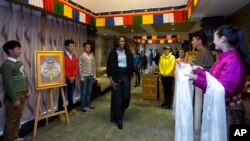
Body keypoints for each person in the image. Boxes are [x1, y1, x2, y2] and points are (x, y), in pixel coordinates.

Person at [187, 25, 250, 140]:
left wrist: (197, 80)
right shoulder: (224, 58)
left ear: (223, 39)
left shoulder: (233, 61)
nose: (212, 40)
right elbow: (213, 78)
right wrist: (198, 70)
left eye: (214, 37)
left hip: (229, 112)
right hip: (220, 107)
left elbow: (221, 89)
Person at [0, 40, 29, 141]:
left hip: (22, 94)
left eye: (20, 48)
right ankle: (8, 139)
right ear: (10, 51)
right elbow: (8, 84)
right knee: (11, 119)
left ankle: (15, 137)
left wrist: (27, 90)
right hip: (13, 97)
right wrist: (14, 99)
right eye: (18, 49)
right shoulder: (6, 65)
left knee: (18, 116)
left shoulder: (19, 62)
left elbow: (23, 77)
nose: (20, 51)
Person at [107, 35, 135, 130]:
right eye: (120, 41)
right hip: (116, 76)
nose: (122, 43)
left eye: (123, 41)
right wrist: (111, 79)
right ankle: (119, 119)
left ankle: (123, 108)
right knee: (117, 98)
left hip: (126, 76)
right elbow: (109, 67)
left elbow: (131, 63)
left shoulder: (128, 51)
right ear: (117, 42)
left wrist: (132, 74)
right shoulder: (113, 52)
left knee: (127, 97)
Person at [191, 30, 214, 141]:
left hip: (203, 88)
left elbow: (209, 72)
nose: (192, 42)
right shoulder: (199, 52)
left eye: (193, 39)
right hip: (198, 87)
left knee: (203, 112)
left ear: (199, 40)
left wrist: (196, 69)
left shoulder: (206, 53)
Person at [58, 39, 78, 121]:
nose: (72, 47)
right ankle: (60, 112)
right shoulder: (62, 55)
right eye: (71, 46)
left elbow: (76, 67)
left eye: (73, 46)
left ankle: (70, 109)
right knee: (62, 95)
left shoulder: (74, 56)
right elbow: (62, 67)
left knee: (70, 94)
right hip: (64, 79)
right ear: (66, 46)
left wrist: (73, 76)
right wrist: (69, 77)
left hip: (72, 79)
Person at [78, 42, 96, 112]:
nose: (88, 48)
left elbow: (94, 66)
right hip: (84, 76)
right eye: (87, 47)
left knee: (89, 91)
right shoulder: (81, 56)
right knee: (83, 92)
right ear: (84, 48)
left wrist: (94, 75)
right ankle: (83, 106)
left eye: (89, 47)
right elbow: (80, 67)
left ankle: (88, 105)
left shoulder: (92, 56)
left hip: (91, 76)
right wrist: (81, 76)